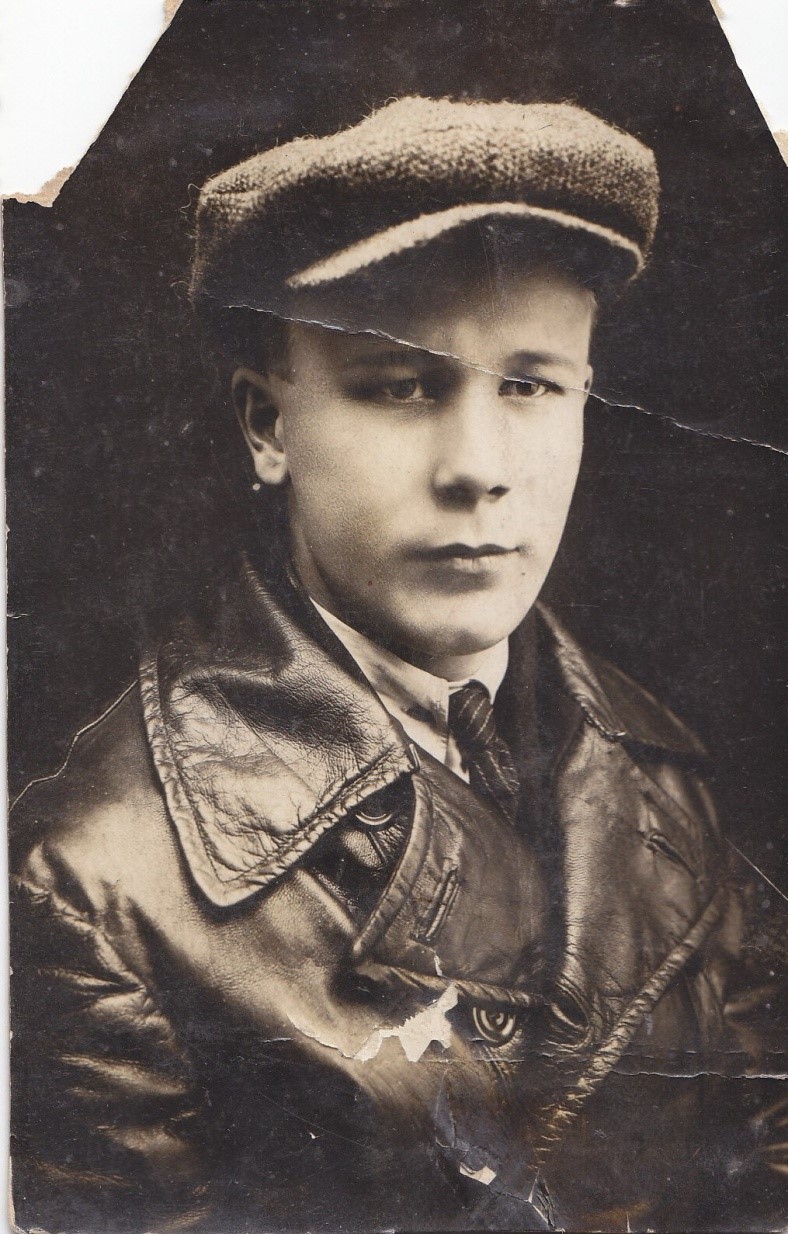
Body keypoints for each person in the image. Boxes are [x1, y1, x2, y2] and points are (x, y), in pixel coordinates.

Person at [10, 96, 786, 1234]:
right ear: (267, 426)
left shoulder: (661, 769)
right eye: (402, 384)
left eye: (529, 385)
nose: (479, 468)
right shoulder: (95, 882)